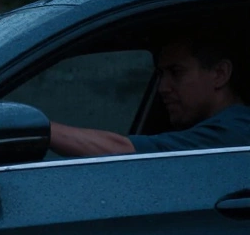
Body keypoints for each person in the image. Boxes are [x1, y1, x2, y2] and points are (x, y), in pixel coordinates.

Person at [50, 34, 249, 158]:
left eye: (176, 72)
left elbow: (123, 151)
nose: (162, 88)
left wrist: (41, 129)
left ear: (220, 74)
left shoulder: (237, 132)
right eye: (161, 75)